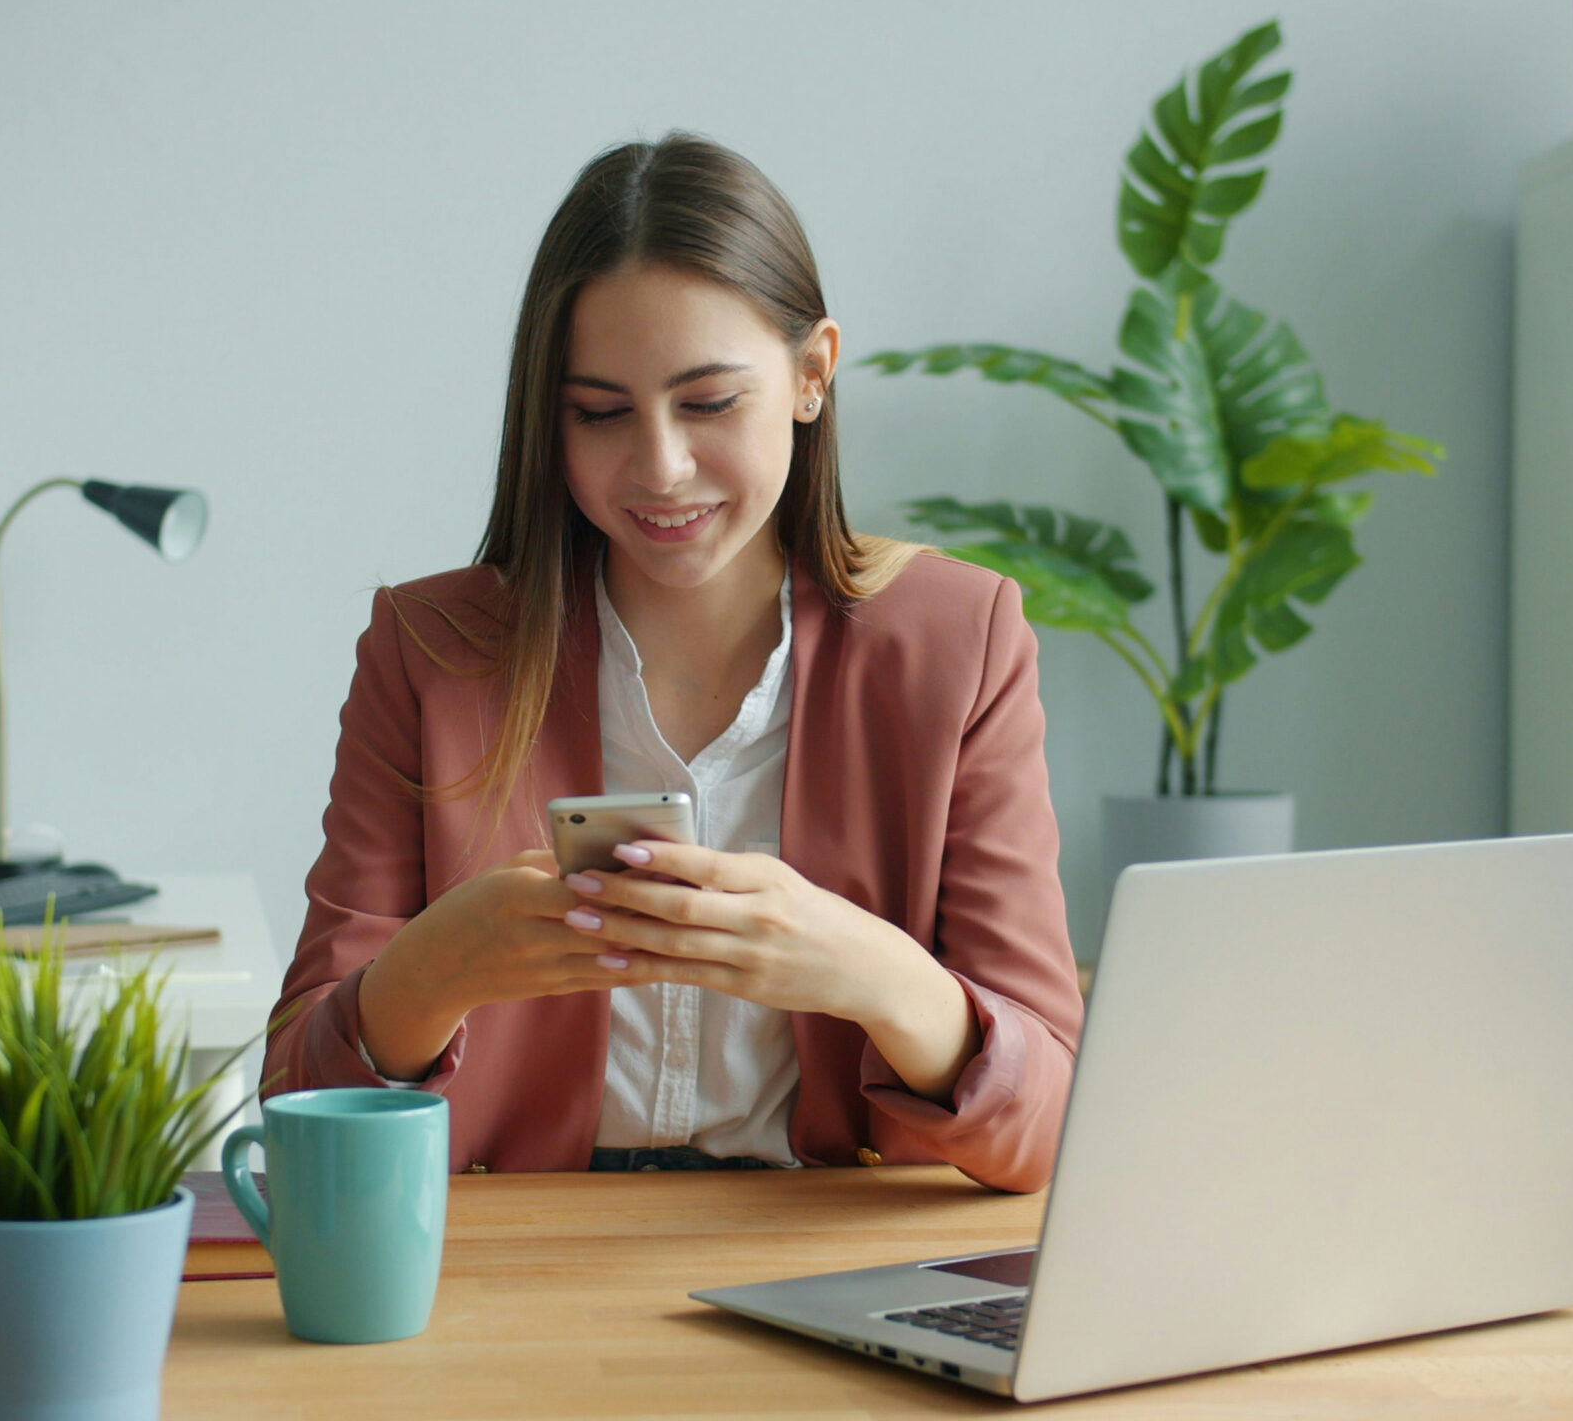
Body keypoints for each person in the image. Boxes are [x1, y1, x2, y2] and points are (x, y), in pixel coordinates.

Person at [265, 132, 1082, 1191]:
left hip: (822, 1257)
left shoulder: (958, 641)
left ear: (811, 375)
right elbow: (295, 1111)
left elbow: (1051, 1123)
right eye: (599, 413)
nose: (658, 467)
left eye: (707, 403)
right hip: (518, 1261)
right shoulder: (430, 654)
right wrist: (432, 972)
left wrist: (874, 974)